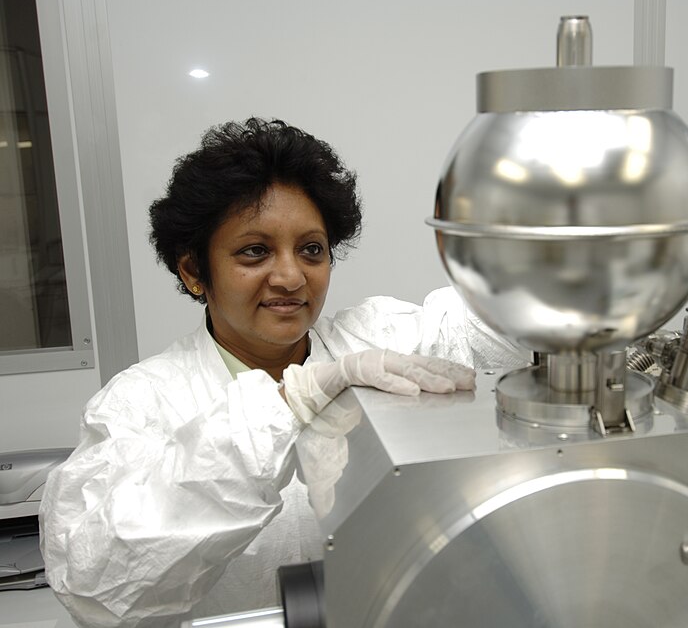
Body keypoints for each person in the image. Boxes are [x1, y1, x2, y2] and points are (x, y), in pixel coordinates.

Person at [38, 118, 527, 628]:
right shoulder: (141, 402)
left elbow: (501, 325)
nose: (292, 276)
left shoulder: (377, 341)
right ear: (193, 270)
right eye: (255, 251)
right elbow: (94, 583)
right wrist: (286, 404)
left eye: (311, 249)